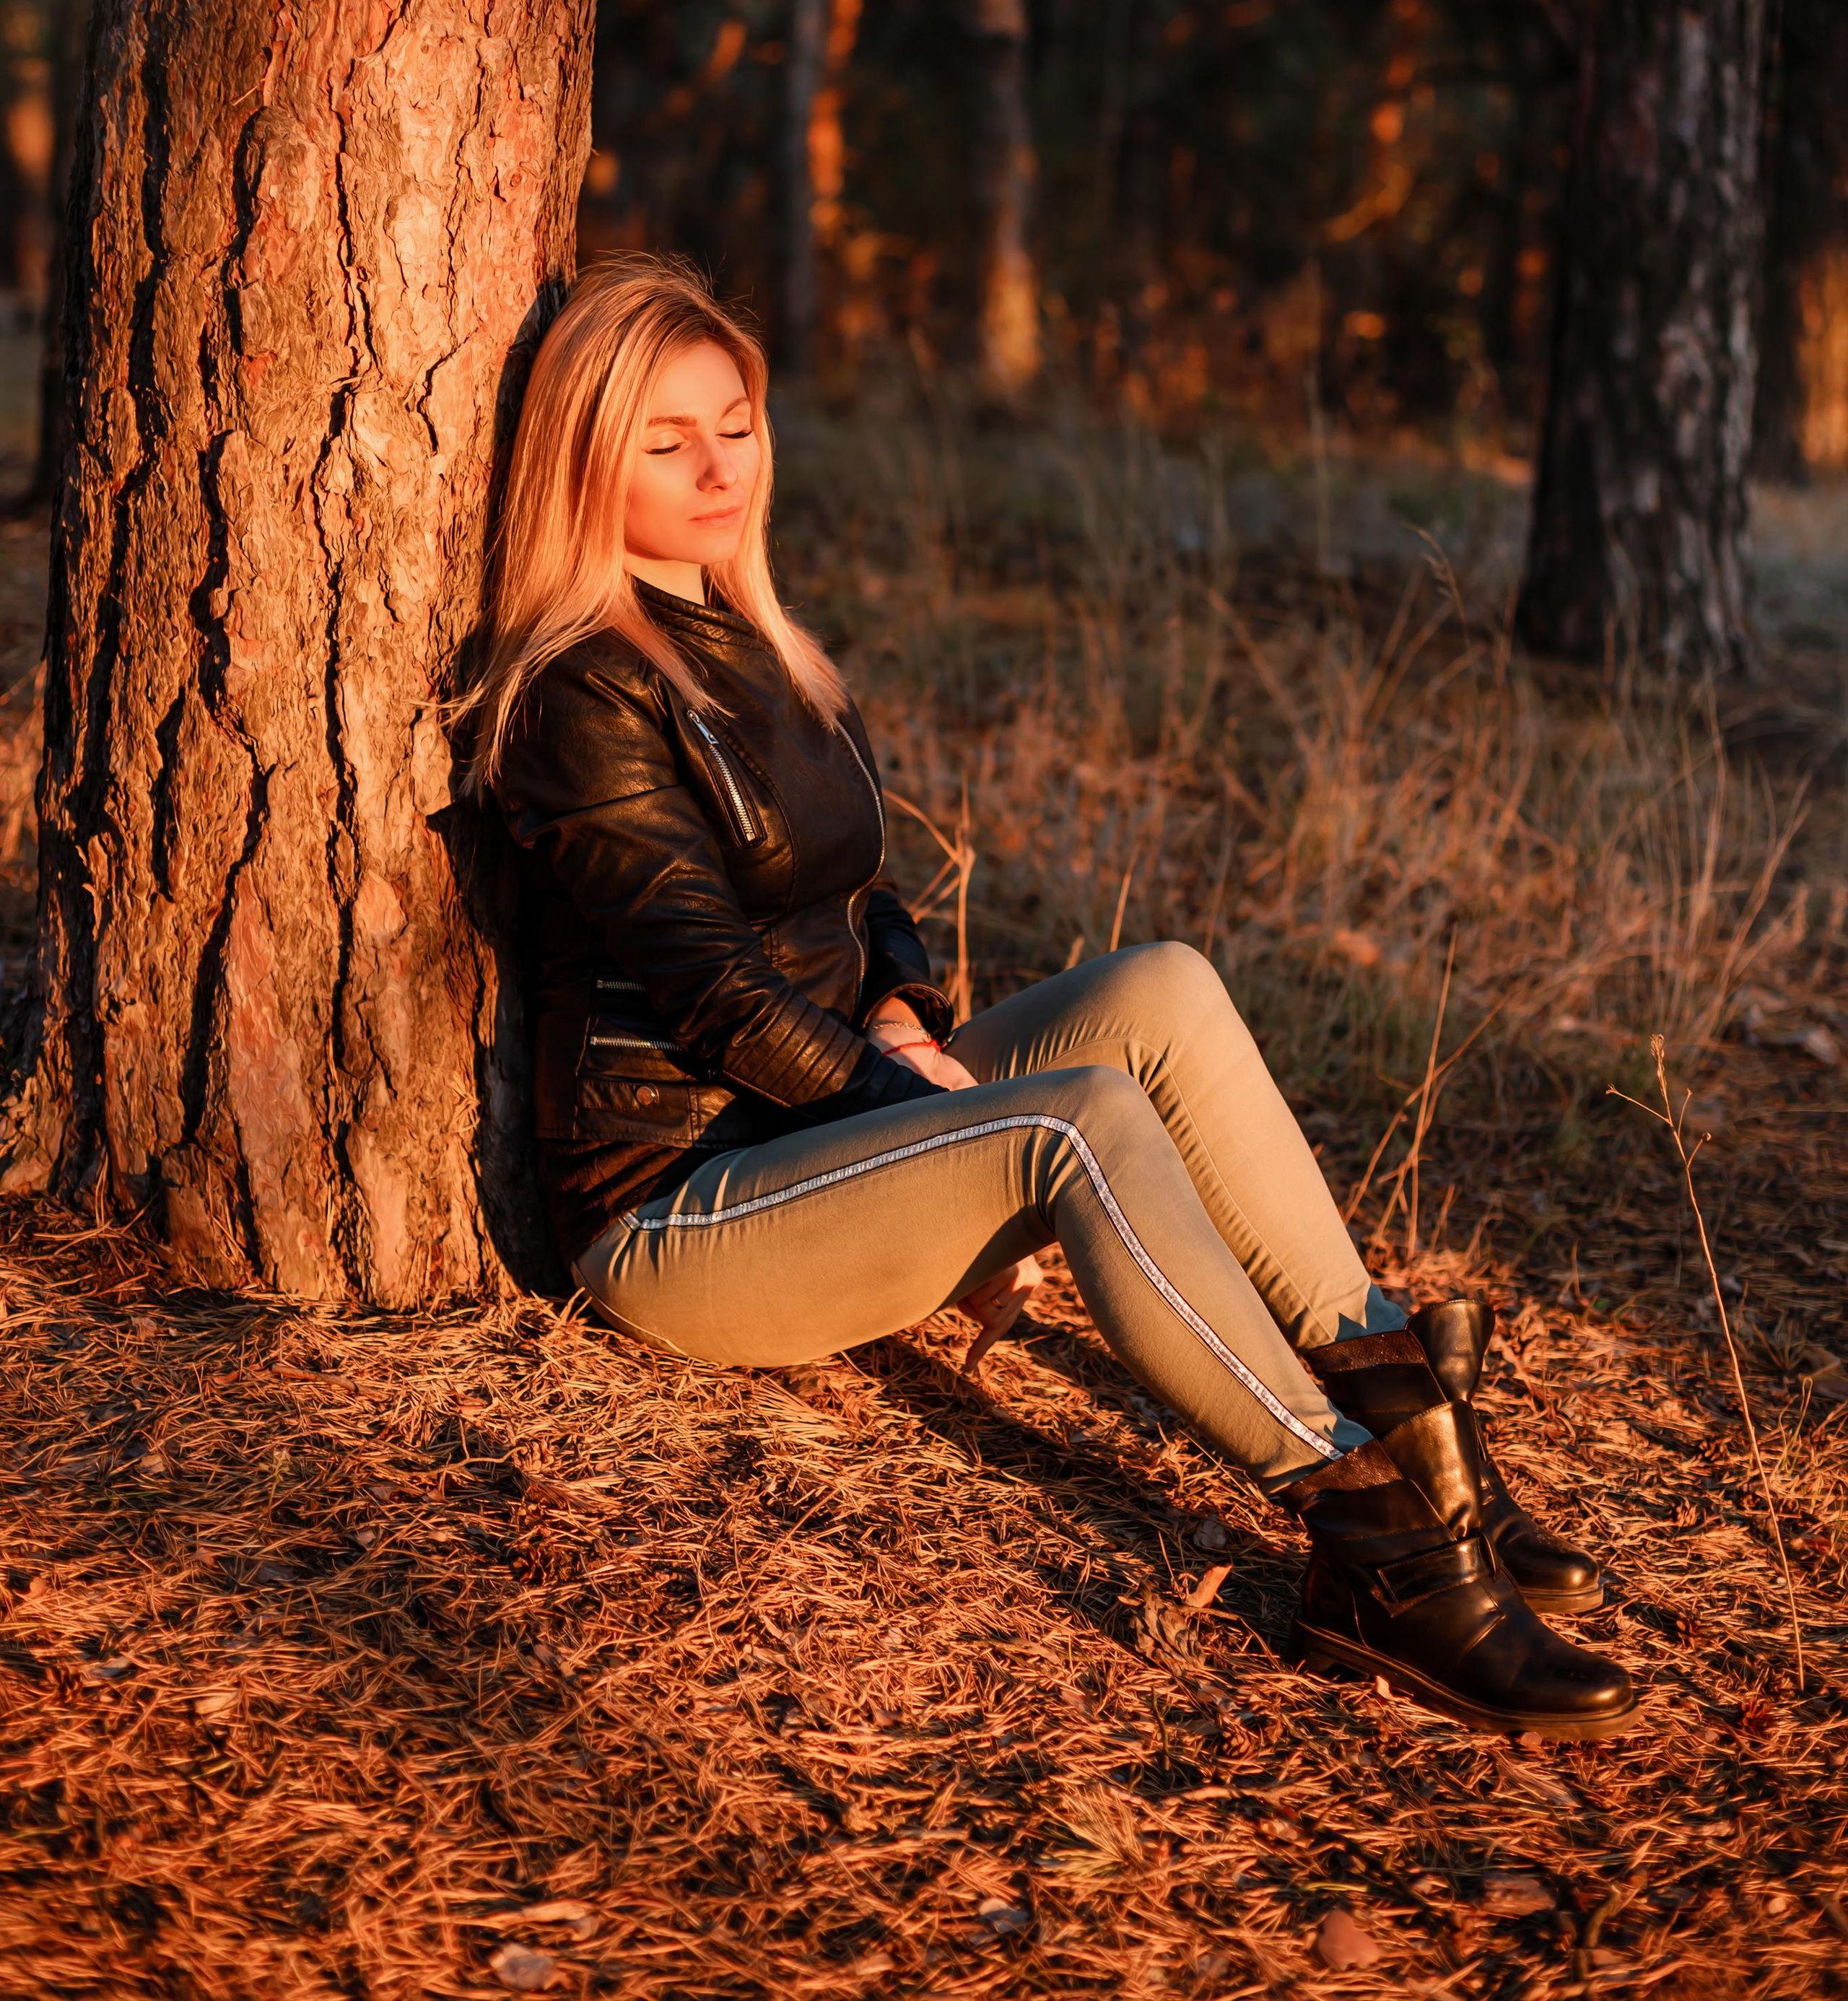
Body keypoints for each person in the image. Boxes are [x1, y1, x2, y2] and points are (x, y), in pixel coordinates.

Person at [462, 255, 1636, 1744]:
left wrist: (902, 1012)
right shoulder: (580, 691)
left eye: (736, 423)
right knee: (1067, 1124)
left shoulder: (760, 641)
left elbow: (859, 891)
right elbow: (708, 992)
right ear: (582, 460)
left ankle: (1414, 1414)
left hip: (826, 1111)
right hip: (686, 1207)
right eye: (664, 440)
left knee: (1163, 986)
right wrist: (927, 1118)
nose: (717, 468)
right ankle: (1373, 1542)